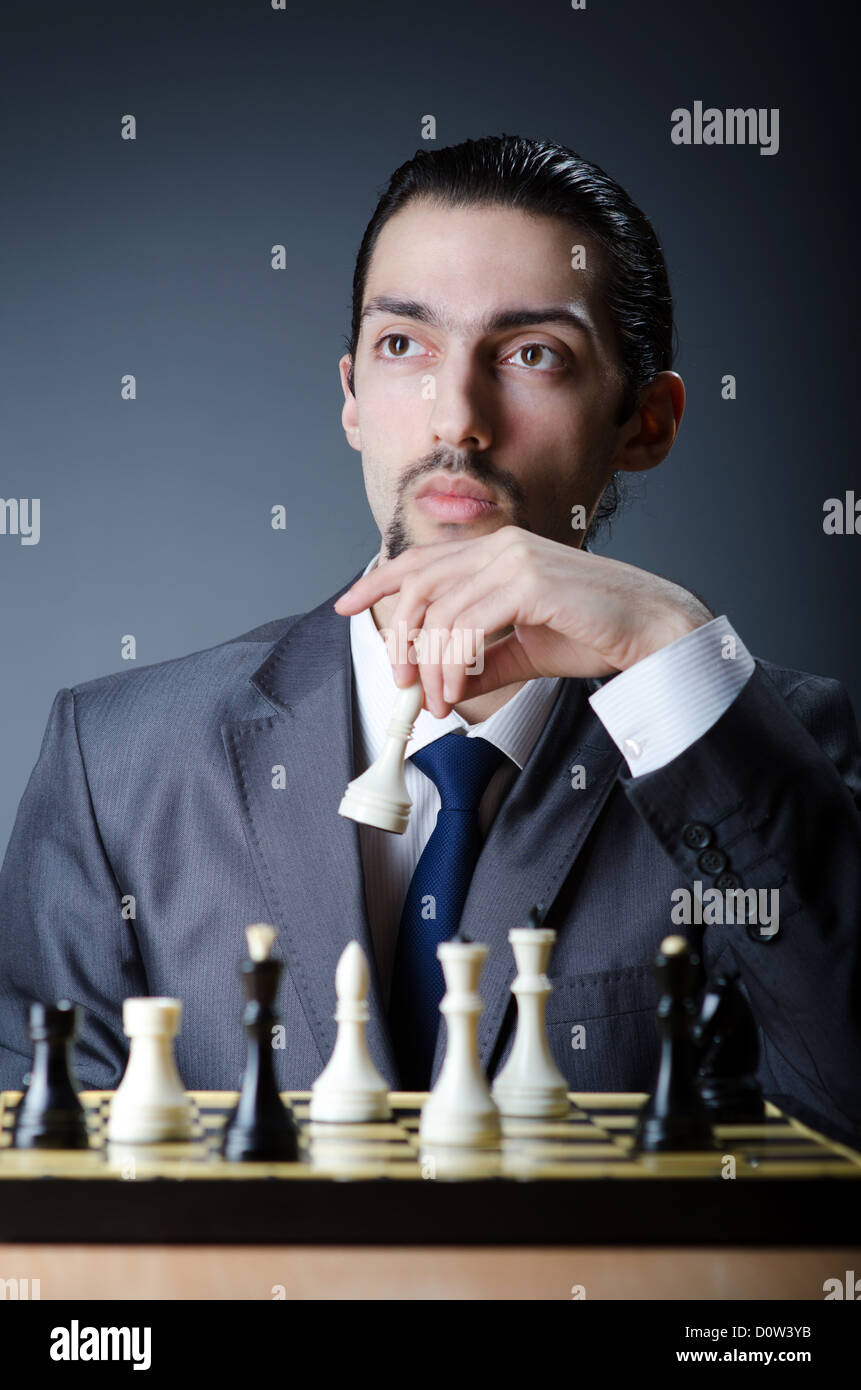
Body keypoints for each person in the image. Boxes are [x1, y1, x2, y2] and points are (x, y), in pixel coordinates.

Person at [1, 135, 859, 1145]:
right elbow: (45, 1202)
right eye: (405, 345)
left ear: (648, 423)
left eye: (534, 353)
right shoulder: (118, 759)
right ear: (353, 394)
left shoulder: (757, 746)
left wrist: (670, 638)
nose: (457, 418)